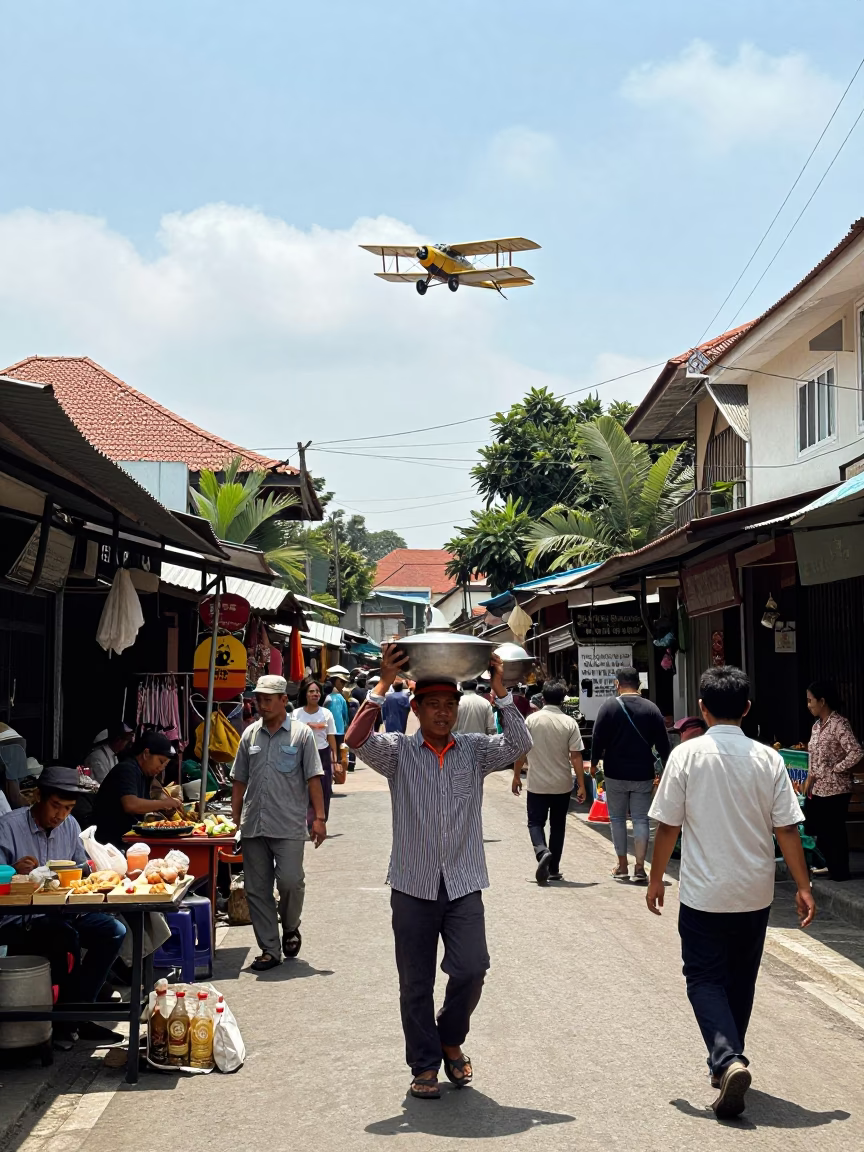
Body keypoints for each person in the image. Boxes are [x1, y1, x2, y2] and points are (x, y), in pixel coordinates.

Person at [345, 644, 532, 1100]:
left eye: (450, 705)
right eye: (434, 705)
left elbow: (519, 744)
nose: (443, 713)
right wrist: (382, 684)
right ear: (417, 709)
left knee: (471, 969)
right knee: (416, 984)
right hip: (412, 883)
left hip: (464, 882)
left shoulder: (472, 750)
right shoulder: (398, 752)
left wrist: (500, 693)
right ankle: (425, 1065)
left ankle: (450, 1037)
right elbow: (354, 740)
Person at [647, 666, 815, 1120]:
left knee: (703, 978)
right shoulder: (768, 758)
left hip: (704, 893)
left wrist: (656, 876)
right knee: (741, 979)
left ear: (701, 708)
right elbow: (787, 828)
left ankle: (726, 1059)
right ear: (746, 708)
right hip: (754, 894)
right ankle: (727, 1058)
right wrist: (803, 885)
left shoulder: (687, 755)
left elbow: (668, 826)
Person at [0, 765, 127, 1043]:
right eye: (55, 806)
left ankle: (77, 1014)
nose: (60, 815)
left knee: (114, 931)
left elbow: (82, 870)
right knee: (64, 936)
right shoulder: (8, 827)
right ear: (38, 797)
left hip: (65, 910)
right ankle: (62, 1022)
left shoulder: (69, 826)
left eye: (68, 808)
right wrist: (13, 870)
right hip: (20, 918)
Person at [231, 674, 326, 970]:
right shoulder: (249, 735)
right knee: (256, 889)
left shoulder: (302, 734)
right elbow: (239, 779)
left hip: (288, 824)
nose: (262, 704)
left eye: (268, 699)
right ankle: (270, 949)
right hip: (254, 824)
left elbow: (313, 778)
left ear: (284, 700)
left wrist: (319, 818)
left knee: (290, 881)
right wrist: (236, 818)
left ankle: (291, 924)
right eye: (258, 699)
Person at [590, 667, 670, 883]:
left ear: (617, 684)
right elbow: (663, 744)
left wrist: (594, 762)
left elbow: (597, 737)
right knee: (640, 819)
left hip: (615, 772)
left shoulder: (608, 706)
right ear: (639, 685)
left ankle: (622, 865)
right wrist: (666, 769)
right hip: (643, 773)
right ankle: (640, 867)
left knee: (616, 818)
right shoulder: (652, 709)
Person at [512, 679, 586, 883]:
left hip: (537, 783)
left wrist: (517, 776)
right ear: (563, 700)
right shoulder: (569, 723)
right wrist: (581, 784)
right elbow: (576, 756)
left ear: (543, 698)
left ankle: (541, 851)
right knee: (558, 826)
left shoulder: (531, 721)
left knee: (535, 822)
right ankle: (553, 869)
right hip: (562, 784)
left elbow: (522, 750)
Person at [804, 680, 862, 882]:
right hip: (819, 788)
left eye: (811, 700)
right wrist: (810, 778)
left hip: (837, 788)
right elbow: (814, 755)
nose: (809, 705)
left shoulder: (839, 724)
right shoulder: (816, 726)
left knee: (835, 830)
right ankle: (828, 865)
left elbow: (855, 752)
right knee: (821, 829)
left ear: (822, 701)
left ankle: (840, 872)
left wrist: (837, 768)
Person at [93, 731, 184, 848]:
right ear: (146, 754)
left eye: (165, 765)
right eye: (160, 762)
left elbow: (146, 804)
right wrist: (164, 803)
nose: (161, 768)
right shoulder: (127, 769)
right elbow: (131, 805)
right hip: (110, 843)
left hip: (126, 839)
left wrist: (165, 808)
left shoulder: (145, 775)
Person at [292, 681, 339, 820]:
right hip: (302, 754)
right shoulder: (296, 714)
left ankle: (320, 820)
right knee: (302, 789)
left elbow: (331, 737)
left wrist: (335, 760)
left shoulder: (327, 713)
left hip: (322, 754)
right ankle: (304, 821)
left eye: (317, 691)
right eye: (311, 691)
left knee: (323, 789)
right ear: (305, 694)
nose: (315, 694)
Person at [324, 667, 351, 776]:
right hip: (333, 730)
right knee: (336, 753)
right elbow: (345, 716)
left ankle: (337, 772)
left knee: (336, 753)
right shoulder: (336, 698)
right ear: (335, 681)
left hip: (336, 730)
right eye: (342, 681)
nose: (343, 684)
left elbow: (345, 715)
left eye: (344, 682)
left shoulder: (334, 698)